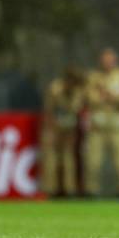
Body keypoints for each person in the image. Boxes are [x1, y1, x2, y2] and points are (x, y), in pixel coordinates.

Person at [84, 48, 119, 197]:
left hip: (118, 126)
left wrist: (107, 95)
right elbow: (90, 98)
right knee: (93, 162)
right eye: (105, 60)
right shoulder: (93, 77)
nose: (107, 63)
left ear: (115, 61)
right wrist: (109, 97)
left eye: (110, 60)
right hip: (97, 127)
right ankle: (91, 191)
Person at [41, 66, 86, 196]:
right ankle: (50, 189)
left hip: (70, 127)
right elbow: (48, 109)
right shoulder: (55, 88)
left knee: (68, 158)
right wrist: (50, 127)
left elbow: (77, 110)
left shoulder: (78, 91)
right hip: (54, 126)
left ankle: (69, 189)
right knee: (51, 158)